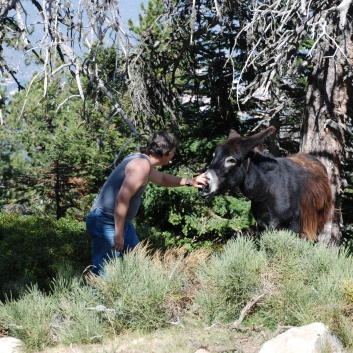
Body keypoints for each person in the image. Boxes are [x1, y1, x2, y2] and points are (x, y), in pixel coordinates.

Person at [86, 131, 208, 276]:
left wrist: (190, 181)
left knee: (142, 266)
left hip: (121, 223)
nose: (174, 155)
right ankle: (96, 298)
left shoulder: (143, 161)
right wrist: (118, 234)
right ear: (165, 152)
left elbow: (162, 178)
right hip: (107, 223)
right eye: (173, 152)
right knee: (104, 274)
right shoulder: (140, 167)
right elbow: (122, 199)